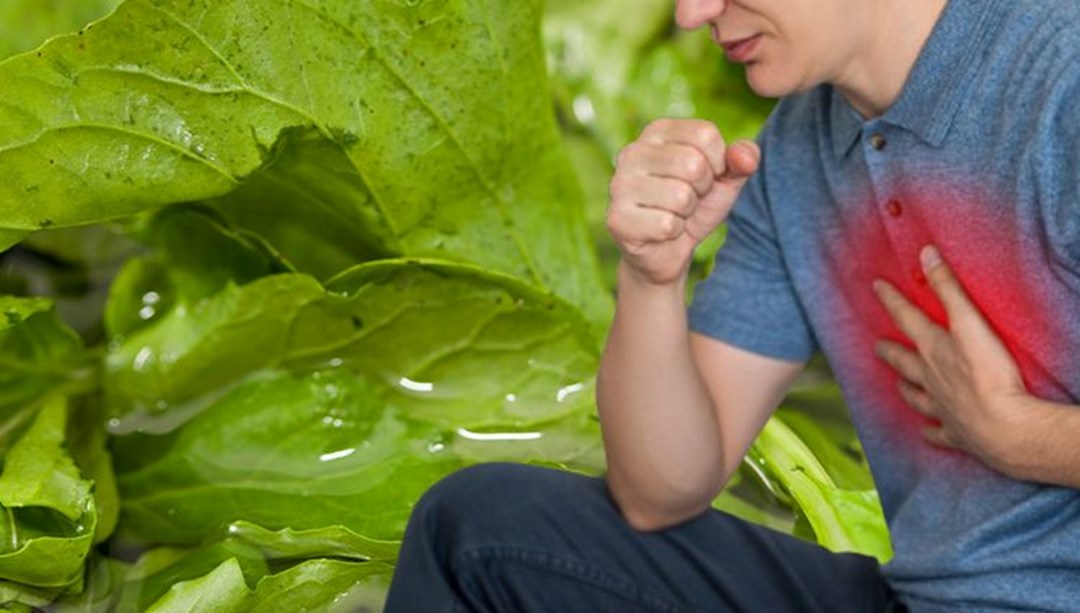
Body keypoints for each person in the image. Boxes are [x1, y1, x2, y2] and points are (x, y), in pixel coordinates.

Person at [385, 0, 1080, 610]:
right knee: (478, 535)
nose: (692, 13)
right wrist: (652, 274)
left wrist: (1015, 434)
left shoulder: (1062, 78)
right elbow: (661, 490)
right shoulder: (795, 151)